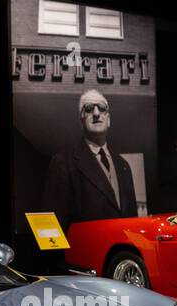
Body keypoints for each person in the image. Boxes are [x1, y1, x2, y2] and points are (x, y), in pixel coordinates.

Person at [40, 89, 139, 231]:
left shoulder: (124, 166)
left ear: (108, 119)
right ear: (81, 121)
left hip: (121, 252)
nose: (96, 113)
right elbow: (49, 225)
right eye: (89, 109)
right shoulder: (63, 162)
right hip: (83, 252)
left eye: (102, 108)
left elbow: (132, 220)